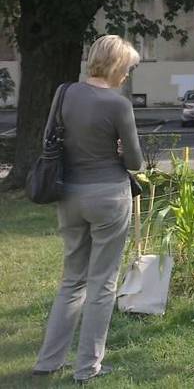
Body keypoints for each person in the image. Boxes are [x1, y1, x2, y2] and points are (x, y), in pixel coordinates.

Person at [33, 35, 142, 383]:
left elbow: (48, 140)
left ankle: (48, 362)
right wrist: (120, 149)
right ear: (115, 66)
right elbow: (136, 162)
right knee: (102, 284)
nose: (126, 76)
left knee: (71, 281)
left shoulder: (64, 93)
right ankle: (87, 368)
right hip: (110, 196)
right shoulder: (118, 104)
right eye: (126, 69)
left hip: (70, 196)